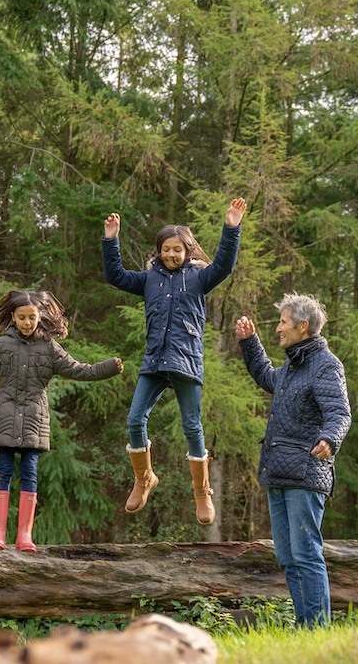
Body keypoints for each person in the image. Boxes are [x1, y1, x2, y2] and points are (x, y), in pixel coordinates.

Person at [101, 198, 246, 525]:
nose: (171, 254)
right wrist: (111, 240)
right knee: (135, 420)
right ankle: (144, 478)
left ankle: (202, 490)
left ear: (188, 252)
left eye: (177, 250)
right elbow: (116, 277)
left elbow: (223, 264)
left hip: (186, 363)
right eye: (166, 249)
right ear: (158, 251)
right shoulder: (149, 279)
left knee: (192, 427)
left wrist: (232, 227)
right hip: (154, 363)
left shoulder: (199, 278)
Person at [0, 290, 123, 552]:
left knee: (30, 474)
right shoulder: (0, 345)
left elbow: (79, 370)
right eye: (22, 317)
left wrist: (109, 367)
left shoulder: (50, 348)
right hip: (5, 418)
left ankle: (24, 537)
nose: (27, 322)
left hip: (34, 421)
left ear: (40, 317)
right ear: (13, 318)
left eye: (32, 317)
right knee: (3, 472)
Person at [235, 293, 351, 627]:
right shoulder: (291, 367)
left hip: (306, 472)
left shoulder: (327, 365)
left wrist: (330, 438)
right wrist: (249, 342)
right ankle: (305, 627)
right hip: (279, 472)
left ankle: (317, 629)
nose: (277, 329)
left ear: (303, 326)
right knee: (288, 557)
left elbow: (340, 412)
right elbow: (267, 378)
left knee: (306, 554)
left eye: (283, 322)